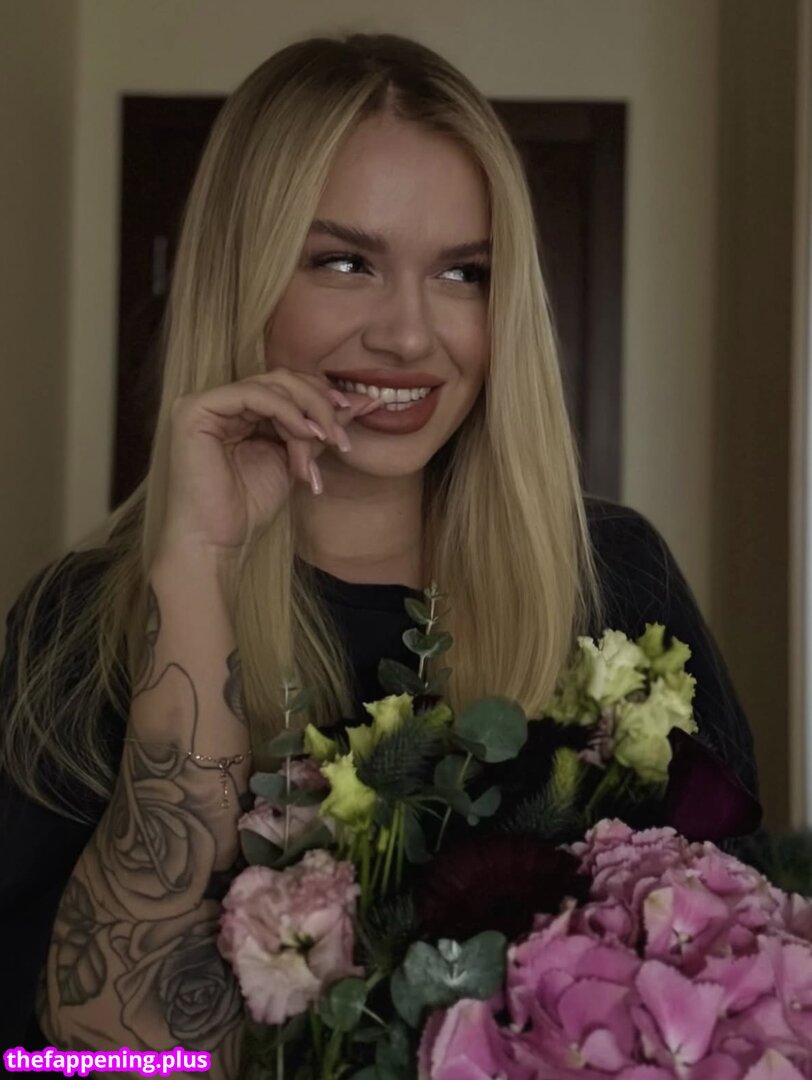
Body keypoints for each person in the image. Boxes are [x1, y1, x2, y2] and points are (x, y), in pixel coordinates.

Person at [0, 31, 757, 1076]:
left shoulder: (617, 576)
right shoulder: (81, 623)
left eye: (463, 273)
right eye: (343, 262)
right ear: (241, 277)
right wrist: (197, 570)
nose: (408, 335)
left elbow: (739, 985)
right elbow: (105, 1052)